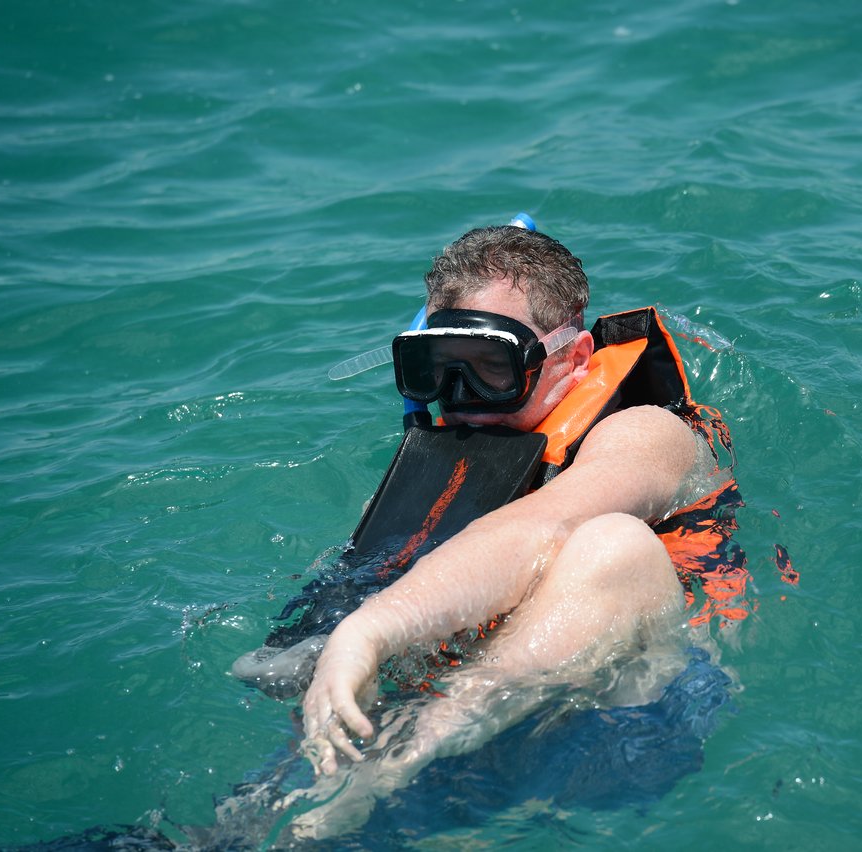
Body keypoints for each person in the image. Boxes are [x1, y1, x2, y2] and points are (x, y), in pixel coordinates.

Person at [282, 224, 742, 838]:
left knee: (614, 546)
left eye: (491, 369)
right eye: (438, 370)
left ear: (573, 358)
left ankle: (385, 774)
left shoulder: (647, 433)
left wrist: (368, 632)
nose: (461, 398)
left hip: (627, 725)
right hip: (480, 730)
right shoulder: (446, 467)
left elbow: (545, 524)